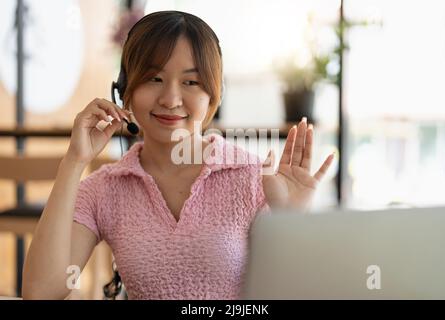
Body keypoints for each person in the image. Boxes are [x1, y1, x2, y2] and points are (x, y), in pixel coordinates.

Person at [22, 10, 334, 300]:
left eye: (190, 82)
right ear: (124, 89)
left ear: (214, 94)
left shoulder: (257, 178)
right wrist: (74, 162)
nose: (171, 99)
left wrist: (290, 218)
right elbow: (40, 291)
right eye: (154, 78)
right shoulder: (105, 188)